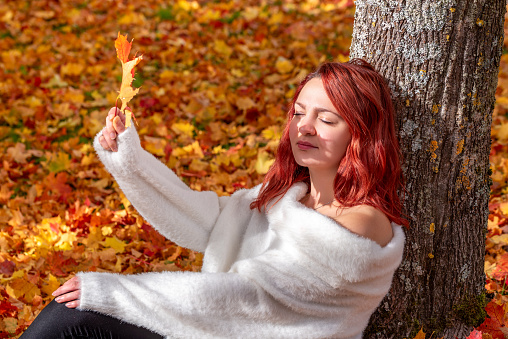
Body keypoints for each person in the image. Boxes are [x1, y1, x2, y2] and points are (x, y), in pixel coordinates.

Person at [21, 59, 406, 339]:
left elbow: (246, 298)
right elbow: (203, 220)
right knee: (71, 313)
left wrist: (115, 292)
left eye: (326, 119)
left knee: (76, 317)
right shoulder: (286, 198)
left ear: (359, 133)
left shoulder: (361, 222)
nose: (303, 127)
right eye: (300, 113)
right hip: (211, 331)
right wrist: (129, 160)